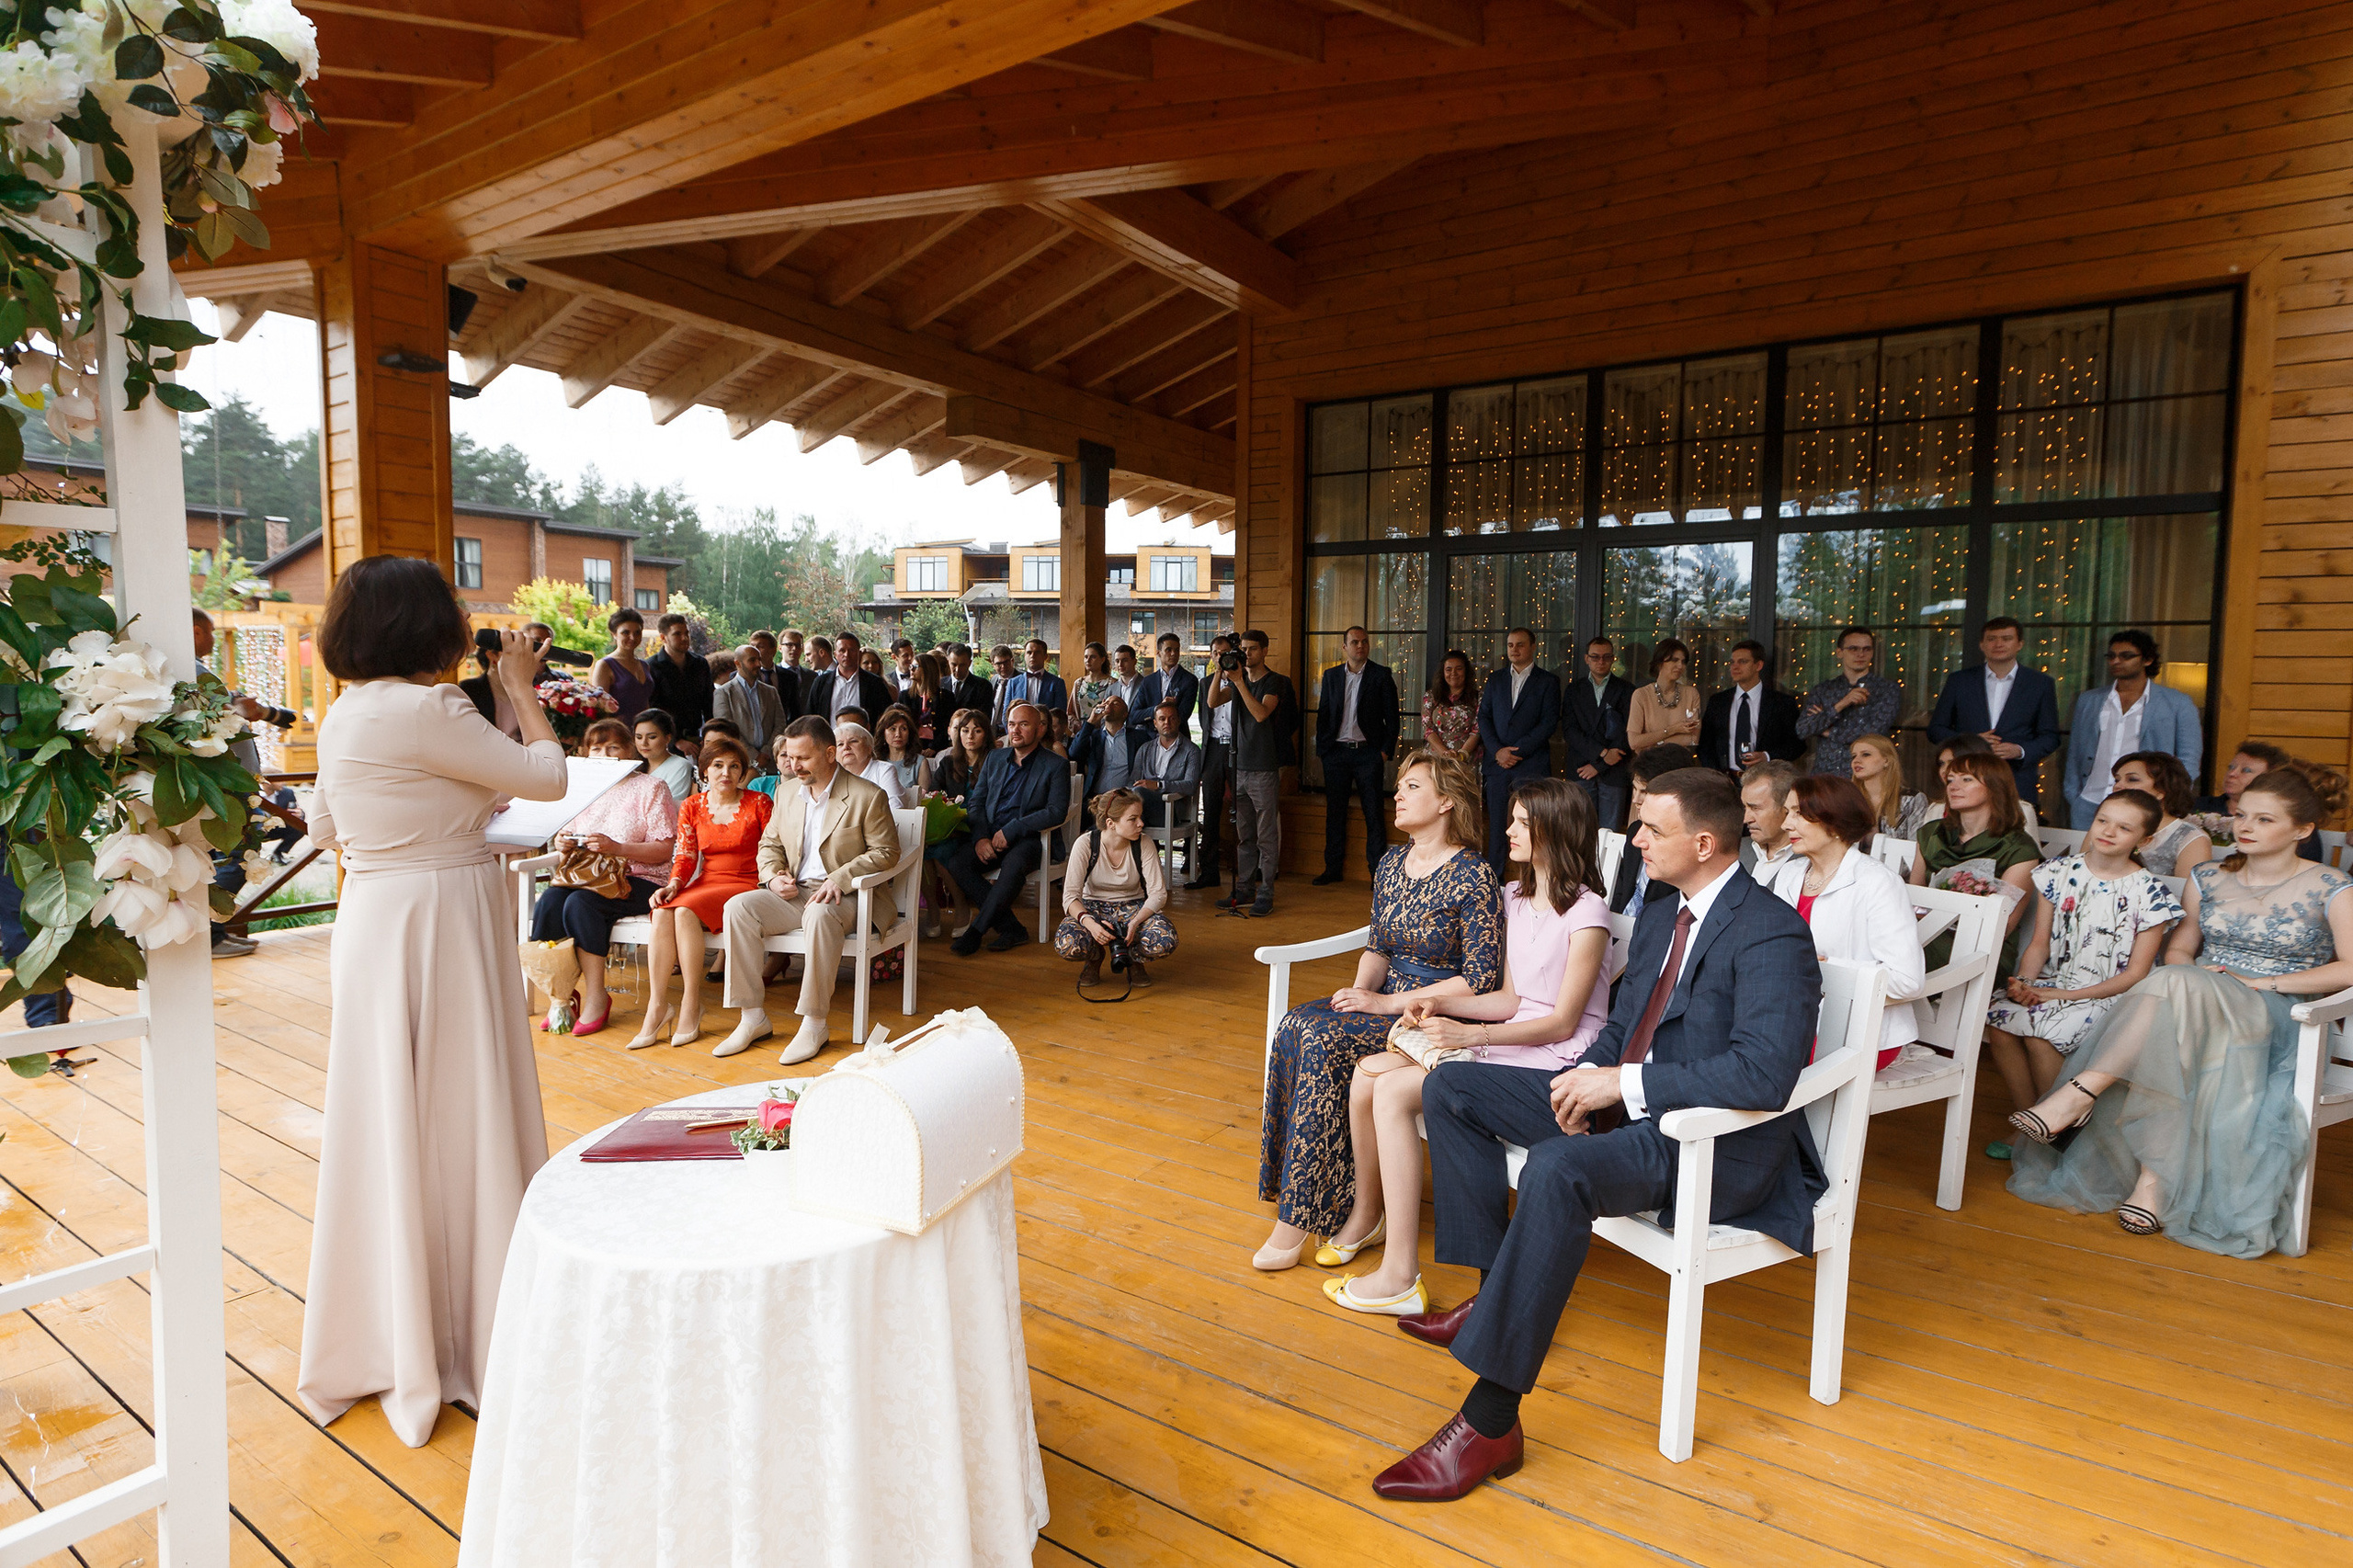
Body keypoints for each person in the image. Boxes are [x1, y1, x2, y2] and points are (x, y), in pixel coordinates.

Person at [1376, 768, 1822, 1502]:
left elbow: (1763, 1076)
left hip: (1706, 1142)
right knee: (1451, 1086)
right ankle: (1493, 1296)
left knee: (1556, 1169)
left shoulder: (1773, 932)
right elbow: (1620, 1028)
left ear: (1704, 843)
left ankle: (1490, 1424)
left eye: (1651, 828)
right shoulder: (1659, 914)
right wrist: (1579, 1078)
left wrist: (1622, 1084)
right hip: (1631, 1108)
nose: (1634, 839)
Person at [296, 556, 570, 1449]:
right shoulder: (429, 709)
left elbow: (328, 828)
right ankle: (475, 1321)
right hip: (444, 918)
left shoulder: (345, 712)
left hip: (374, 914)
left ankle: (391, 1324)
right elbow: (545, 778)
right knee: (463, 1110)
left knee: (387, 1120)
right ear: (429, 624)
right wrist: (522, 691)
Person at [2006, 764, 2353, 1256]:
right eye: (2241, 816)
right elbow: (2180, 948)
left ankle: (2080, 1098)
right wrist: (2192, 970)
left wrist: (2261, 981)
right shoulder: (2207, 876)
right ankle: (2152, 1184)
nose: (2245, 827)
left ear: (2303, 830)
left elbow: (2350, 969)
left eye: (2265, 820)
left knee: (2176, 993)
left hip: (2275, 1010)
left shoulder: (2332, 885)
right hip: (2198, 996)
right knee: (2177, 987)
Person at [1324, 778, 1611, 1317]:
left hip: (1557, 1062)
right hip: (1505, 1044)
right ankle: (1389, 1248)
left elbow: (1561, 1021)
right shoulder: (1514, 898)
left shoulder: (1587, 915)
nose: (1509, 831)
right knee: (1375, 1077)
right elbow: (1506, 999)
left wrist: (1468, 1036)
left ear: (1556, 829)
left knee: (1391, 1092)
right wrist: (1438, 1007)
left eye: (1523, 823)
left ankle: (1400, 1272)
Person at [1255, 752, 1501, 1271]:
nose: (1398, 795)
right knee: (1298, 1024)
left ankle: (1302, 1217)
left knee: (1321, 1041)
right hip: (1383, 1003)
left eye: (1412, 787)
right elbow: (1378, 947)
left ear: (1446, 802)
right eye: (1399, 786)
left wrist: (1386, 1004)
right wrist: (1357, 995)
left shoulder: (1474, 875)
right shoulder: (1391, 862)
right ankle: (1320, 1200)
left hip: (1432, 1015)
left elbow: (1481, 978)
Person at [1984, 790, 2181, 1136]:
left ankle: (2061, 1125)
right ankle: (2031, 1121)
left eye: (2123, 828)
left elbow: (2136, 974)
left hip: (2111, 994)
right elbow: (2039, 943)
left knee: (2042, 1035)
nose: (2107, 831)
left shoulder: (2149, 893)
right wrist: (2025, 984)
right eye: (2102, 820)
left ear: (2145, 840)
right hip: (2054, 982)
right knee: (1999, 1021)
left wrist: (2063, 997)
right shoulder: (2058, 872)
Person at [712, 716, 904, 1063]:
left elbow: (887, 852)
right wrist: (772, 876)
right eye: (789, 756)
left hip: (851, 895)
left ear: (830, 754)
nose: (793, 765)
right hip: (796, 889)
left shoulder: (867, 795)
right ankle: (752, 1017)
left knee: (819, 913)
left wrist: (841, 877)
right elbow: (769, 844)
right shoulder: (786, 793)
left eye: (803, 758)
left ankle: (815, 1023)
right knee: (737, 908)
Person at [1760, 775, 1927, 1071]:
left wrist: (1825, 967)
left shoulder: (1877, 882)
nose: (1786, 824)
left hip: (1859, 1033)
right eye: (1787, 813)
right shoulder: (1790, 874)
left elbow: (1908, 981)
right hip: (1792, 1018)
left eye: (1798, 813)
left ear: (1833, 821)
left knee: (1760, 1062)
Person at [529, 716, 679, 1037]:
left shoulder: (651, 787)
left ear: (630, 752)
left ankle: (597, 995)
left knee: (581, 904)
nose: (606, 755)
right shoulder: (585, 789)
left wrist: (618, 847)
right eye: (597, 749)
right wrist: (562, 843)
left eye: (614, 748)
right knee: (550, 902)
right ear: (586, 753)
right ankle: (563, 994)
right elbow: (571, 838)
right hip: (589, 876)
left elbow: (665, 850)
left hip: (642, 878)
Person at [633, 733, 773, 1049]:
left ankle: (691, 1004)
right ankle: (658, 1005)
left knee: (684, 910)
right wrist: (673, 884)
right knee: (663, 909)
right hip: (707, 881)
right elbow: (685, 855)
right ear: (704, 770)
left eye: (734, 766)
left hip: (746, 881)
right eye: (718, 765)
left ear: (743, 772)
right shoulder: (693, 805)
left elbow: (772, 849)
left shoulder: (759, 802)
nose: (726, 772)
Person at [944, 704, 1073, 953]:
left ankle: (976, 932)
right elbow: (977, 803)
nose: (1015, 730)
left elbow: (1056, 811)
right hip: (991, 834)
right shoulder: (995, 758)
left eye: (1023, 725)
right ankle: (1012, 928)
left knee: (1014, 864)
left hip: (1030, 839)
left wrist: (1012, 830)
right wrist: (981, 837)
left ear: (1039, 729)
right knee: (958, 863)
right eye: (1012, 724)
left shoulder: (1055, 765)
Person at [1906, 752, 2040, 977]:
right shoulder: (1931, 833)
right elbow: (1915, 899)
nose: (1953, 787)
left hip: (1981, 952)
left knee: (1892, 955)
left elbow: (2001, 928)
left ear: (1995, 787)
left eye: (1966, 779)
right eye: (1951, 780)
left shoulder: (2020, 848)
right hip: (1922, 934)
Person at [2063, 629, 2203, 830]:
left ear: (2147, 660)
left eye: (2126, 656)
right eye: (2111, 656)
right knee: (2085, 859)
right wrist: (2074, 796)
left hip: (2147, 805)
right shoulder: (2089, 700)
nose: (2116, 661)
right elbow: (2075, 751)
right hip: (2090, 802)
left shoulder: (2177, 703)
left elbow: (2188, 757)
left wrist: (2170, 800)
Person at [1207, 629, 1298, 915]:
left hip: (1264, 768)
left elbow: (1260, 714)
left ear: (1265, 651)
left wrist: (1238, 682)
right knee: (1244, 834)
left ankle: (1266, 891)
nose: (1246, 654)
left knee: (1266, 835)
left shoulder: (1276, 682)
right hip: (1239, 766)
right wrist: (1220, 671)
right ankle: (1245, 888)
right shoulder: (1237, 680)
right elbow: (1211, 702)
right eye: (1243, 649)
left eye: (1252, 649)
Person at [1926, 616, 2060, 806]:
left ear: (2019, 644)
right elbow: (1936, 730)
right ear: (1982, 644)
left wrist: (2020, 750)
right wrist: (1971, 740)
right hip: (1964, 780)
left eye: (2006, 639)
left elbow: (2050, 737)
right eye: (1992, 639)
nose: (1998, 644)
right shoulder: (1959, 681)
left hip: (2016, 781)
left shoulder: (2040, 684)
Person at [1054, 790, 1177, 987]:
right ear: (1111, 824)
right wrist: (1091, 925)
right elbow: (1070, 897)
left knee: (1165, 940)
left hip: (1134, 907)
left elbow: (1159, 893)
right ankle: (1094, 957)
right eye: (1133, 819)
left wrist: (1136, 921)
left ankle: (1134, 959)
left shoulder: (1144, 843)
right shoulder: (1085, 844)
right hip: (1093, 908)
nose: (1141, 824)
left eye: (1140, 817)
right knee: (1068, 945)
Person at [1313, 626, 1399, 885]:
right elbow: (1324, 715)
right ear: (1345, 647)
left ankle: (1377, 874)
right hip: (1336, 754)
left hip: (1368, 755)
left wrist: (1383, 753)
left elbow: (1392, 719)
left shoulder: (1381, 675)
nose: (1360, 646)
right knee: (1334, 813)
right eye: (1354, 642)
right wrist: (1324, 751)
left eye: (1364, 642)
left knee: (1373, 813)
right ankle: (1332, 869)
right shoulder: (1331, 676)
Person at [1475, 628, 1561, 874]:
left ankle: (1533, 883)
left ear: (1533, 647)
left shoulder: (1548, 681)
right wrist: (1497, 751)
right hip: (1498, 766)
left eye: (1520, 645)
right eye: (1511, 645)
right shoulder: (1495, 679)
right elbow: (1484, 717)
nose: (1514, 649)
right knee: (1498, 828)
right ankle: (1495, 883)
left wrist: (1516, 751)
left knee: (1533, 827)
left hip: (1531, 766)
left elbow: (1548, 723)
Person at [1795, 626, 1901, 778]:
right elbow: (1803, 729)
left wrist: (1828, 731)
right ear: (1839, 652)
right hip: (1825, 776)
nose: (1860, 654)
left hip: (1865, 778)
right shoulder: (1824, 690)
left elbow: (1872, 733)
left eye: (1867, 649)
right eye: (1853, 648)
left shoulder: (1886, 689)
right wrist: (1841, 704)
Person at [2198, 740, 2325, 864]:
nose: (2232, 773)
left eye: (2246, 770)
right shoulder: (2198, 806)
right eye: (2231, 767)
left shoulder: (2296, 820)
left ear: (2269, 777)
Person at [1608, 744, 1697, 915]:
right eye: (1634, 789)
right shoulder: (1635, 831)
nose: (1636, 799)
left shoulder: (1685, 843)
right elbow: (1622, 892)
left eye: (1645, 791)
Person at [1699, 640, 1801, 775]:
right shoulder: (1718, 702)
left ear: (1758, 665)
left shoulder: (1782, 703)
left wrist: (1767, 756)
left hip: (1766, 779)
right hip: (1726, 780)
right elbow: (1705, 745)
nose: (1735, 667)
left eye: (1742, 662)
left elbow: (1797, 745)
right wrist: (1716, 775)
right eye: (1732, 662)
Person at [1560, 636, 1630, 830]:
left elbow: (1627, 733)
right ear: (1586, 658)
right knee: (1581, 831)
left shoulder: (1626, 690)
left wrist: (1600, 765)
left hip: (1615, 770)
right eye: (1595, 657)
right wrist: (1602, 754)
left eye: (1606, 657)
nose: (1601, 661)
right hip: (1581, 768)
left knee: (1610, 834)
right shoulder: (1574, 690)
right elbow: (1570, 731)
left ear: (1613, 659)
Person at [1187, 633, 1240, 891]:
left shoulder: (1243, 679)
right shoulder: (1206, 682)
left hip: (1238, 750)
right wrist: (1218, 674)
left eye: (1225, 652)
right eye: (1216, 653)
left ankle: (1243, 872)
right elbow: (1206, 718)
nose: (1220, 656)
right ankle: (1208, 872)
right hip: (1213, 752)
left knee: (1242, 811)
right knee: (1210, 813)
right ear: (1211, 657)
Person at [2110, 751, 2212, 878]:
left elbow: (2190, 893)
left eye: (2132, 779)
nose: (2118, 786)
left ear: (2161, 790)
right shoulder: (2105, 825)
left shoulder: (2190, 838)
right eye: (2117, 780)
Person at [1131, 699, 1201, 835]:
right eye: (1162, 719)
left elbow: (1191, 785)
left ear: (1179, 721)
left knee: (1137, 796)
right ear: (1155, 723)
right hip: (1141, 809)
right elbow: (1133, 780)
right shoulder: (1145, 749)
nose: (1167, 723)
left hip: (1172, 810)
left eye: (1172, 718)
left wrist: (1158, 785)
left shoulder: (1191, 751)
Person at [711, 641, 788, 762]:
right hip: (741, 760)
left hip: (770, 760)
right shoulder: (723, 693)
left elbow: (780, 724)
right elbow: (726, 730)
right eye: (752, 660)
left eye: (759, 659)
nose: (758, 664)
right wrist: (753, 755)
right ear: (738, 663)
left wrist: (767, 751)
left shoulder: (771, 692)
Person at [1625, 637, 1701, 756]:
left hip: (1681, 765)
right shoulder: (1641, 695)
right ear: (1660, 662)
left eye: (1683, 661)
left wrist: (1654, 742)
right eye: (1674, 660)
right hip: (1649, 766)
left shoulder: (1691, 693)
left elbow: (1692, 739)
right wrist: (1674, 730)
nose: (1680, 666)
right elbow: (1634, 742)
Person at [645, 612, 713, 744]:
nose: (684, 638)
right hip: (666, 740)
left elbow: (708, 703)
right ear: (663, 638)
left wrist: (710, 735)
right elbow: (653, 710)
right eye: (677, 634)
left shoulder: (700, 664)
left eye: (686, 633)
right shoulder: (651, 667)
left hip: (698, 738)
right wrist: (676, 741)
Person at [1127, 631, 1198, 755]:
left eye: (1177, 650)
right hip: (1149, 742)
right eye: (1168, 650)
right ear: (1158, 652)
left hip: (1178, 744)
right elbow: (1134, 716)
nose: (1173, 654)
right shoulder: (1148, 681)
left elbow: (1183, 715)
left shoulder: (1189, 680)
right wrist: (1156, 709)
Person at [804, 630, 895, 726]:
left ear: (859, 653)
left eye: (851, 650)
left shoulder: (874, 683)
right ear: (835, 654)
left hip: (864, 739)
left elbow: (887, 716)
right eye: (842, 650)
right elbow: (810, 717)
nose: (846, 655)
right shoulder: (821, 682)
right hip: (830, 739)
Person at [1850, 732, 1930, 839]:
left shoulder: (1911, 799)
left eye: (1866, 754)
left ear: (1886, 760)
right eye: (1854, 756)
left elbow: (1915, 846)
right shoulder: (1846, 799)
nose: (1856, 761)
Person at [589, 607, 655, 723]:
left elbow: (645, 703)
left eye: (637, 632)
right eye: (626, 632)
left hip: (642, 732)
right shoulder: (605, 665)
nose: (632, 637)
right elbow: (599, 709)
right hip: (617, 733)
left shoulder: (644, 665)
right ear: (614, 634)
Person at [1737, 759, 1802, 878]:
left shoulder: (1810, 861)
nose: (1746, 819)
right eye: (1745, 808)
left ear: (1787, 808)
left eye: (1755, 808)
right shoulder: (1735, 851)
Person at [1422, 649, 1483, 767]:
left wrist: (1461, 755)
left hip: (1467, 759)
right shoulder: (1431, 696)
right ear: (1443, 673)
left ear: (1466, 671)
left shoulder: (1478, 697)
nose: (1453, 673)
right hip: (1436, 759)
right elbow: (1428, 729)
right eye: (1448, 669)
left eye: (1459, 669)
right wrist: (1445, 753)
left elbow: (1478, 730)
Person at [835, 720, 910, 809]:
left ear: (869, 748)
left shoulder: (884, 771)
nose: (846, 747)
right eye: (840, 744)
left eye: (853, 741)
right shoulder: (833, 776)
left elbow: (894, 808)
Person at [1072, 694, 1135, 800]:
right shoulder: (1094, 737)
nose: (1108, 706)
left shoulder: (1136, 738)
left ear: (1125, 714)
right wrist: (1091, 721)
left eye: (1115, 704)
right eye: (1106, 703)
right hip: (1095, 798)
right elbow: (1074, 753)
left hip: (1124, 799)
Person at [1001, 639, 1068, 732]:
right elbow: (1006, 715)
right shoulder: (1013, 683)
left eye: (1037, 653)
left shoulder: (1057, 683)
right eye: (1029, 652)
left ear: (1045, 656)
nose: (1032, 656)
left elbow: (1059, 716)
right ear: (1024, 656)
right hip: (1019, 735)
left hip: (1046, 736)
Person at [633, 710, 697, 801]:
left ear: (667, 738)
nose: (643, 743)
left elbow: (666, 804)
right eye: (639, 737)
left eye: (652, 737)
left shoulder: (680, 766)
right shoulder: (634, 766)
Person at [874, 704, 931, 799]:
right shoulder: (876, 761)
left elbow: (924, 801)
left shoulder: (920, 763)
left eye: (903, 729)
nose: (898, 734)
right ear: (883, 733)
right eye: (892, 729)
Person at [940, 642, 994, 727]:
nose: (957, 670)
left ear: (969, 663)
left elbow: (984, 719)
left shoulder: (983, 686)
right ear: (948, 661)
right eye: (954, 664)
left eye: (962, 665)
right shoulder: (940, 684)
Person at [907, 651, 950, 754]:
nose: (912, 669)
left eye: (916, 666)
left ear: (928, 669)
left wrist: (934, 747)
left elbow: (946, 725)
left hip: (939, 750)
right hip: (912, 749)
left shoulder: (945, 696)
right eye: (911, 666)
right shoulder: (906, 696)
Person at [1069, 641, 1115, 729]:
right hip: (1082, 731)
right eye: (1086, 657)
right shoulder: (1079, 683)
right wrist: (1078, 728)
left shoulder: (1112, 683)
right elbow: (1071, 712)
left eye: (1093, 657)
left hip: (1104, 732)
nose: (1088, 660)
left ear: (1102, 659)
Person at [986, 643, 1020, 732]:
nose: (1003, 667)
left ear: (1012, 661)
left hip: (1013, 730)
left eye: (1006, 662)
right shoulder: (993, 680)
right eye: (998, 664)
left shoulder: (1021, 680)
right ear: (993, 664)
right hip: (993, 730)